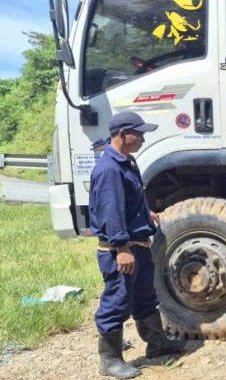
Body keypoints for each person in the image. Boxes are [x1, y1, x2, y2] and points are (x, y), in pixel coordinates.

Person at [89, 111, 183, 379]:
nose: (143, 138)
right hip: (122, 249)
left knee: (144, 297)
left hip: (137, 244)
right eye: (138, 133)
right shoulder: (109, 168)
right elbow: (110, 211)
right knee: (117, 302)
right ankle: (109, 360)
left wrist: (146, 213)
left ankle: (157, 343)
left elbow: (129, 200)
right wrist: (121, 248)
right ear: (122, 134)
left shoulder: (126, 162)